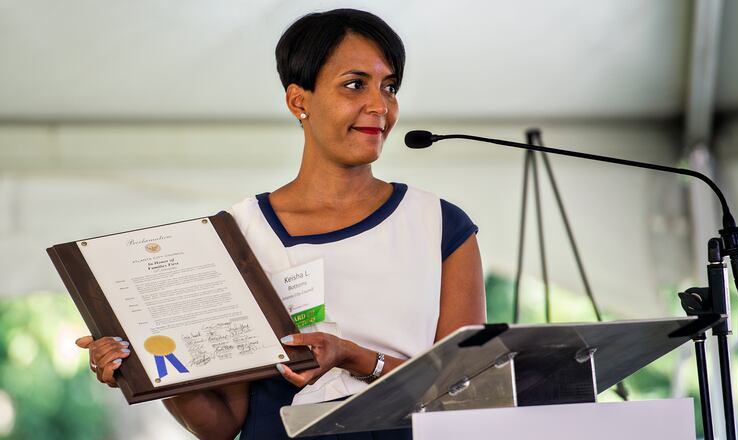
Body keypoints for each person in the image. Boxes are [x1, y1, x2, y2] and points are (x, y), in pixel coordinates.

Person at [76, 8, 485, 440]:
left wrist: (355, 356)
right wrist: (146, 368)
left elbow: (471, 390)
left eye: (390, 87)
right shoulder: (237, 233)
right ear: (298, 101)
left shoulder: (441, 225)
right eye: (354, 84)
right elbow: (222, 425)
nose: (380, 106)